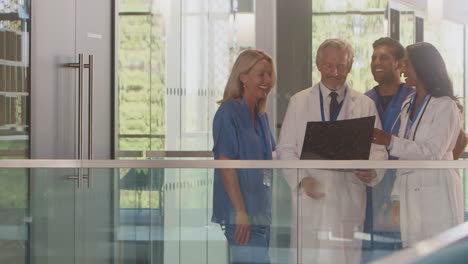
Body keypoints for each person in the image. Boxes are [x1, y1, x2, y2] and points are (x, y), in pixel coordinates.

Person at [277, 39, 388, 264]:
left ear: (349, 66)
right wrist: (301, 180)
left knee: (345, 257)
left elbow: (379, 151)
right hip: (310, 195)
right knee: (308, 256)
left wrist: (373, 171)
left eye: (341, 66)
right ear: (318, 65)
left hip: (348, 197)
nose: (335, 73)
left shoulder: (365, 104)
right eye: (329, 66)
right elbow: (286, 150)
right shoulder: (299, 102)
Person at [373, 42, 464, 247]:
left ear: (422, 67)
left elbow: (432, 152)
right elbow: (405, 157)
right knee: (414, 253)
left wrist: (390, 141)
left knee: (440, 254)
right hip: (409, 194)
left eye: (406, 64)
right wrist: (396, 197)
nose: (401, 68)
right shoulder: (408, 104)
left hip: (437, 193)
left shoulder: (445, 106)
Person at [211, 49, 276, 264]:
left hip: (261, 215)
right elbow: (226, 165)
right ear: (243, 77)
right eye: (261, 75)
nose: (267, 80)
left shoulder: (260, 116)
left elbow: (274, 157)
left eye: (269, 74)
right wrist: (240, 212)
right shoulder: (228, 113)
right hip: (241, 215)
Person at [362, 37, 414, 260]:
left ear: (399, 64)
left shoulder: (414, 98)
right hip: (371, 186)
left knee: (406, 250)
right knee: (373, 250)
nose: (376, 62)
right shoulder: (364, 101)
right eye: (373, 57)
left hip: (406, 186)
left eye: (384, 57)